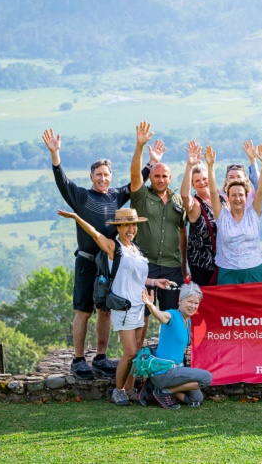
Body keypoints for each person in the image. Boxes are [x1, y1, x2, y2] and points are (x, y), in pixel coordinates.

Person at [43, 127, 160, 380]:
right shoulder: (82, 197)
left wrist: (151, 162)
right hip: (86, 261)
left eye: (106, 174)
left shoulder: (116, 197)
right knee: (84, 311)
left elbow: (134, 184)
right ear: (91, 177)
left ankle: (101, 357)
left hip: (108, 266)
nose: (103, 179)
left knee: (104, 310)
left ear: (110, 176)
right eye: (98, 175)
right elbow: (62, 182)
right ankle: (77, 359)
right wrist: (55, 154)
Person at [57, 207, 174, 406]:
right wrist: (76, 217)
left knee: (136, 353)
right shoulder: (114, 247)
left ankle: (130, 389)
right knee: (129, 352)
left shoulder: (136, 250)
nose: (131, 228)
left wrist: (155, 282)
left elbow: (137, 278)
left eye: (134, 224)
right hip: (123, 307)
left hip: (139, 305)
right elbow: (94, 234)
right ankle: (118, 390)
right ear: (118, 227)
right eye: (126, 224)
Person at [130, 121, 187, 343]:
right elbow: (135, 176)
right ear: (150, 178)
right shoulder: (141, 196)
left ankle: (173, 360)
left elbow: (183, 233)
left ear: (170, 178)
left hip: (173, 267)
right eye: (156, 176)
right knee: (142, 313)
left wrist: (183, 266)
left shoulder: (177, 199)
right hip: (147, 265)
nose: (161, 179)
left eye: (165, 176)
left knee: (173, 315)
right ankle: (137, 358)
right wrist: (140, 147)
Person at [206, 141, 262, 285]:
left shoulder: (253, 213)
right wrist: (210, 166)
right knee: (229, 308)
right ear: (227, 197)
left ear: (246, 196)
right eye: (233, 195)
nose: (237, 198)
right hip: (228, 272)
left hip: (254, 270)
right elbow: (212, 191)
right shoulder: (222, 216)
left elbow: (260, 190)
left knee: (258, 306)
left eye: (240, 195)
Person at [141, 282, 212, 409]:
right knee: (206, 378)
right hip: (164, 372)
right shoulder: (172, 315)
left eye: (196, 303)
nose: (193, 306)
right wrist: (151, 306)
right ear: (180, 300)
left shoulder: (188, 320)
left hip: (176, 371)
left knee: (196, 399)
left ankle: (161, 389)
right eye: (189, 301)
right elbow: (161, 316)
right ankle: (164, 391)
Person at [180, 140, 223, 286]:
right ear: (192, 184)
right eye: (197, 181)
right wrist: (189, 166)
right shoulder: (195, 204)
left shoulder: (222, 199)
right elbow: (185, 196)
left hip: (224, 261)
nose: (202, 182)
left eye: (204, 179)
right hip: (202, 265)